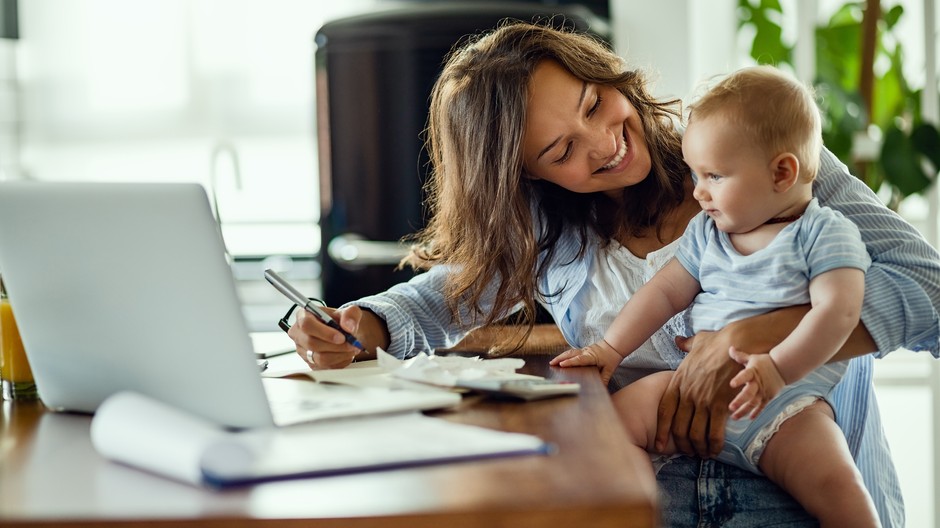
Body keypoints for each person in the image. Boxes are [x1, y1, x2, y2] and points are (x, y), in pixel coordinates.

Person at [286, 21, 940, 527]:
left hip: (802, 492)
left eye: (596, 104)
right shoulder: (551, 229)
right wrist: (362, 322)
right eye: (562, 149)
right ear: (528, 176)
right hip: (653, 500)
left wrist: (755, 336)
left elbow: (930, 292)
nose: (604, 142)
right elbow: (443, 295)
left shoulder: (757, 151)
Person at [551, 65, 879, 527]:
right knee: (606, 428)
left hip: (787, 406)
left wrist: (777, 367)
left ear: (782, 173)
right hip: (687, 390)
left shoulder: (824, 235)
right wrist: (610, 348)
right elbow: (664, 292)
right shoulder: (707, 232)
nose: (699, 191)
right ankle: (639, 508)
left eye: (714, 176)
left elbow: (841, 312)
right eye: (694, 174)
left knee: (840, 489)